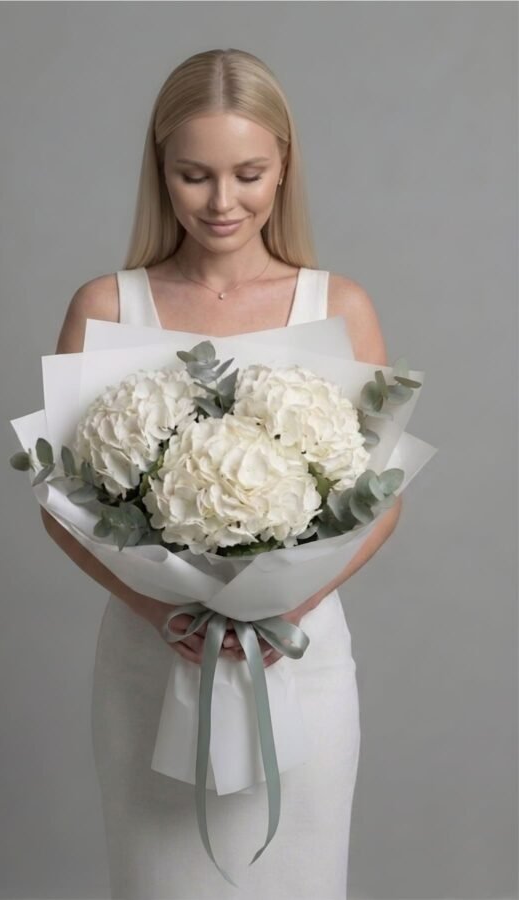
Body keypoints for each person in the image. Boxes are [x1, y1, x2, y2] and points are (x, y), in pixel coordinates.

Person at [41, 48, 402, 900]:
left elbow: (383, 503)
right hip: (152, 660)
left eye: (248, 174)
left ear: (285, 167)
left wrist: (283, 609)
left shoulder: (340, 307)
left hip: (297, 660)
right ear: (159, 169)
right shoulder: (105, 307)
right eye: (193, 175)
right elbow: (61, 505)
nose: (222, 202)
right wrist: (163, 612)